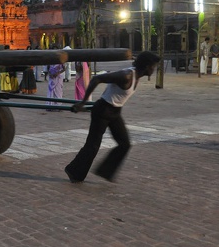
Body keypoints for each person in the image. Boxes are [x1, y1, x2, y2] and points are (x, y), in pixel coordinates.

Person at [65, 51, 161, 183]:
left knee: (125, 144)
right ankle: (74, 171)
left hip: (115, 111)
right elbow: (97, 79)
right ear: (146, 66)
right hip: (102, 110)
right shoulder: (126, 76)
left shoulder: (135, 76)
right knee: (93, 145)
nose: (153, 69)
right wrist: (83, 103)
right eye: (153, 66)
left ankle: (105, 171)